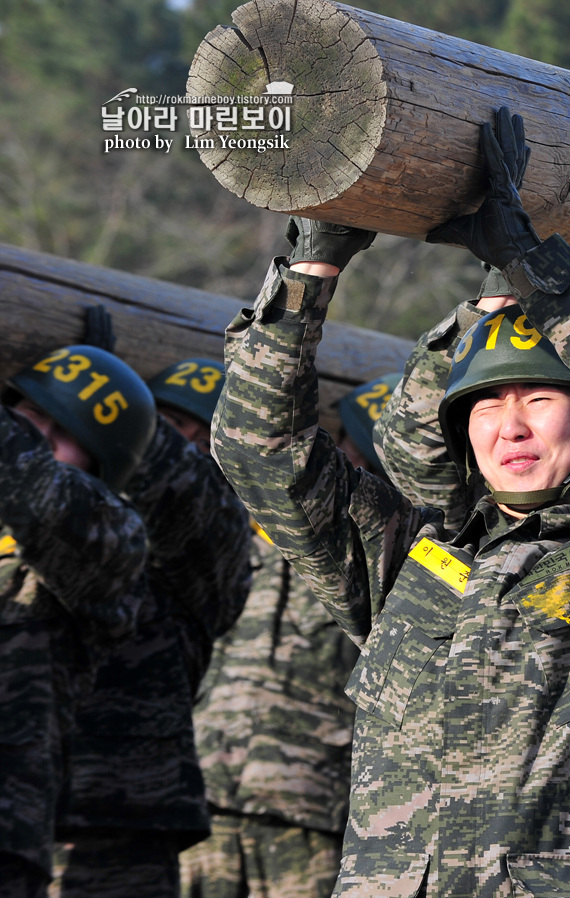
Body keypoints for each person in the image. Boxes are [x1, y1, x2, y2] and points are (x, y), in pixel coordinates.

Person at [210, 107, 570, 897]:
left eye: (540, 400)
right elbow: (258, 449)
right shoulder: (410, 562)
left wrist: (533, 263)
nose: (511, 426)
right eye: (486, 406)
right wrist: (310, 273)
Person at [50, 352, 253, 898]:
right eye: (162, 419)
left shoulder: (211, 547)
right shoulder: (50, 521)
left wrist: (104, 395)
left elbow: (189, 495)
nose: (175, 439)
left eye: (194, 430)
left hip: (120, 818)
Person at [182, 376, 393, 898]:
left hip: (312, 813)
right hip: (200, 793)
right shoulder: (237, 529)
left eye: (369, 459)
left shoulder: (394, 566)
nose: (351, 466)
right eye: (346, 447)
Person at [0, 344, 152, 898]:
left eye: (57, 430)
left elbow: (34, 485)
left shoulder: (111, 533)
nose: (31, 431)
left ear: (99, 462)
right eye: (26, 411)